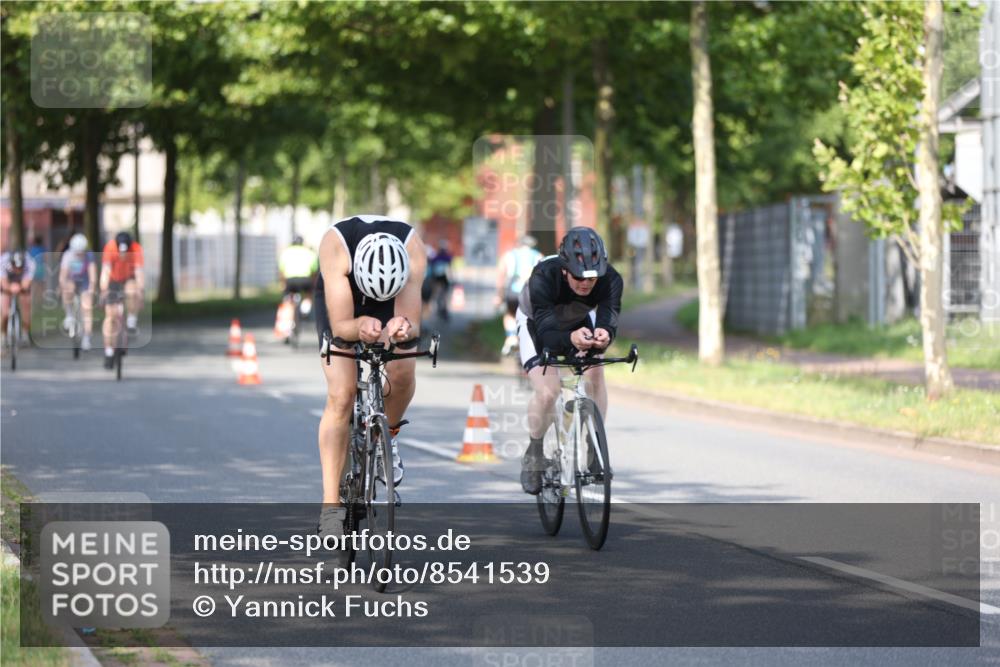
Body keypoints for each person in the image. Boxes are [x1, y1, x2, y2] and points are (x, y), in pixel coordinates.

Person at [313, 214, 427, 538]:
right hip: (345, 300)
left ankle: (386, 437)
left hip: (393, 298)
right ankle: (330, 505)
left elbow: (412, 325)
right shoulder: (336, 246)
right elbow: (341, 327)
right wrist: (359, 326)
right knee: (342, 394)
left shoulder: (413, 250)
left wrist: (401, 328)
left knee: (403, 367)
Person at [515, 227, 623, 495]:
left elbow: (610, 317)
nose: (586, 284)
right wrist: (570, 339)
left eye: (592, 278)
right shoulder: (543, 277)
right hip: (537, 325)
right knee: (549, 391)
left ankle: (594, 448)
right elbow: (547, 332)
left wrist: (604, 334)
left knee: (596, 373)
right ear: (564, 269)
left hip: (577, 321)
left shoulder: (610, 279)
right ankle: (535, 454)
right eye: (578, 277)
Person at [99, 231, 144, 369]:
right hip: (113, 280)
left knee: (132, 290)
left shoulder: (136, 248)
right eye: (121, 251)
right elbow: (105, 271)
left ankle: (131, 319)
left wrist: (140, 291)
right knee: (110, 317)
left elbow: (139, 272)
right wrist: (103, 290)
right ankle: (108, 351)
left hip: (128, 278)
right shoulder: (110, 248)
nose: (123, 254)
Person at [495, 235, 543, 356]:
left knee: (510, 313)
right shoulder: (538, 256)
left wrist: (498, 295)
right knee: (530, 316)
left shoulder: (509, 255)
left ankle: (511, 338)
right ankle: (530, 343)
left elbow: (501, 276)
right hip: (530, 292)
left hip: (512, 291)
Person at [277, 235, 319, 340]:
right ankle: (305, 310)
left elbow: (281, 271)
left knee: (288, 302)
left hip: (290, 280)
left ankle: (287, 328)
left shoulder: (285, 252)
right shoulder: (310, 253)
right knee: (309, 295)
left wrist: (283, 283)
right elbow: (314, 271)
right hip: (305, 280)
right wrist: (313, 284)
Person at [59, 233, 97, 351]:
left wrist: (91, 290)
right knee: (68, 287)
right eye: (77, 252)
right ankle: (69, 315)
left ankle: (87, 337)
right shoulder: (68, 256)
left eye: (81, 252)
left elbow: (93, 276)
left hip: (84, 282)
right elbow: (62, 276)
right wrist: (63, 287)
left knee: (87, 307)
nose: (80, 255)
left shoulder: (89, 256)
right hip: (72, 280)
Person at [1, 249, 36, 345]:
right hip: (7, 282)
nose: (17, 270)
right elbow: (3, 284)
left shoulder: (30, 263)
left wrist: (20, 287)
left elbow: (26, 283)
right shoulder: (3, 261)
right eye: (15, 267)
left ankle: (25, 332)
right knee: (5, 313)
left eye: (19, 268)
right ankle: (3, 335)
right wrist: (9, 287)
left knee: (26, 305)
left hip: (22, 282)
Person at [428, 238, 452, 321]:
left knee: (440, 295)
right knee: (443, 296)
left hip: (439, 278)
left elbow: (432, 265)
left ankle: (441, 310)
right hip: (442, 278)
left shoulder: (437, 257)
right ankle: (442, 310)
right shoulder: (447, 257)